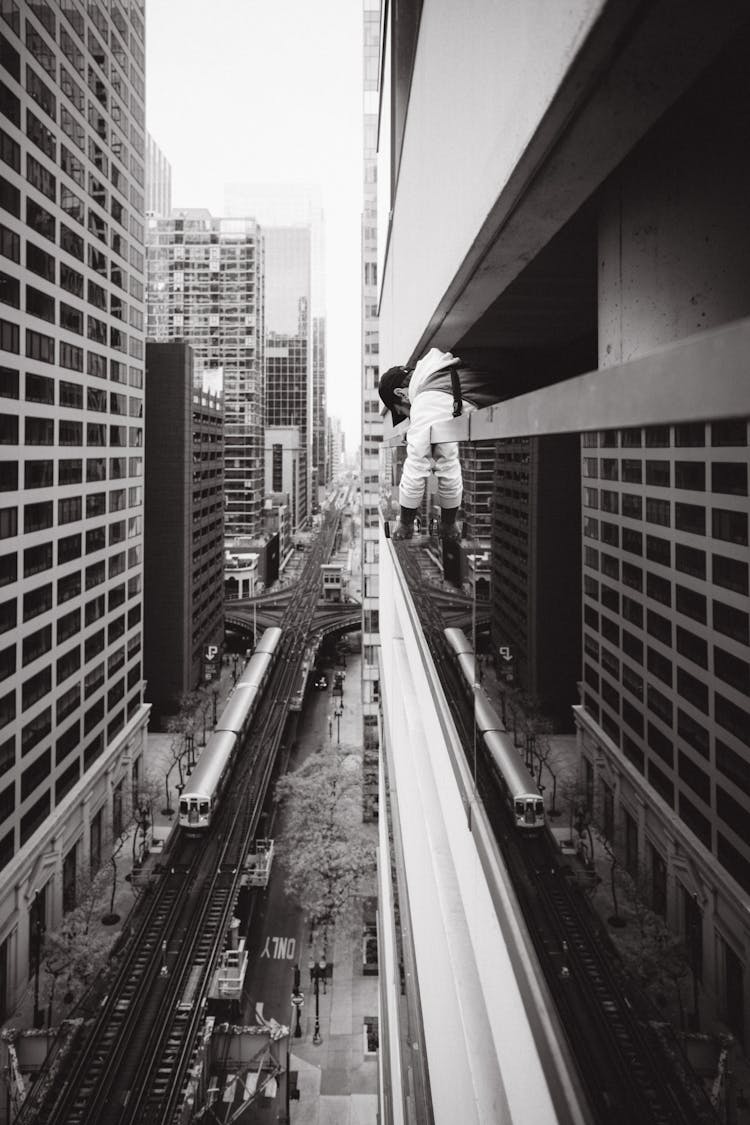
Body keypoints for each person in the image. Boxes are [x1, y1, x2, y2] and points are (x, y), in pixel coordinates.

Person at [379, 347, 504, 541]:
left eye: (403, 411)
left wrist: (407, 524)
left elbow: (428, 465)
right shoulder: (439, 376)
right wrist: (415, 429)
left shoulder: (428, 396)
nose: (410, 414)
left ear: (401, 393)